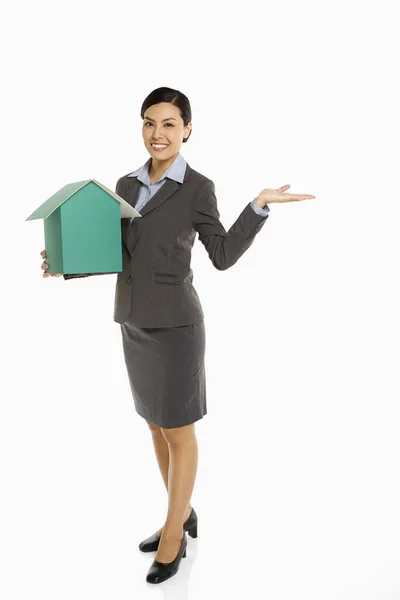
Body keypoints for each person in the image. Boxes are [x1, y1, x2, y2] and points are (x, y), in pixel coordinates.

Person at [40, 86, 316, 584]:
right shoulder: (124, 184)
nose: (158, 133)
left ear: (187, 129)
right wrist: (66, 265)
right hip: (133, 321)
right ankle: (181, 512)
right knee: (153, 425)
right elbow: (118, 252)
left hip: (177, 328)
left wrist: (258, 206)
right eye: (150, 122)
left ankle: (174, 534)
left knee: (178, 431)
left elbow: (224, 256)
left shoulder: (198, 187)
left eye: (169, 124)